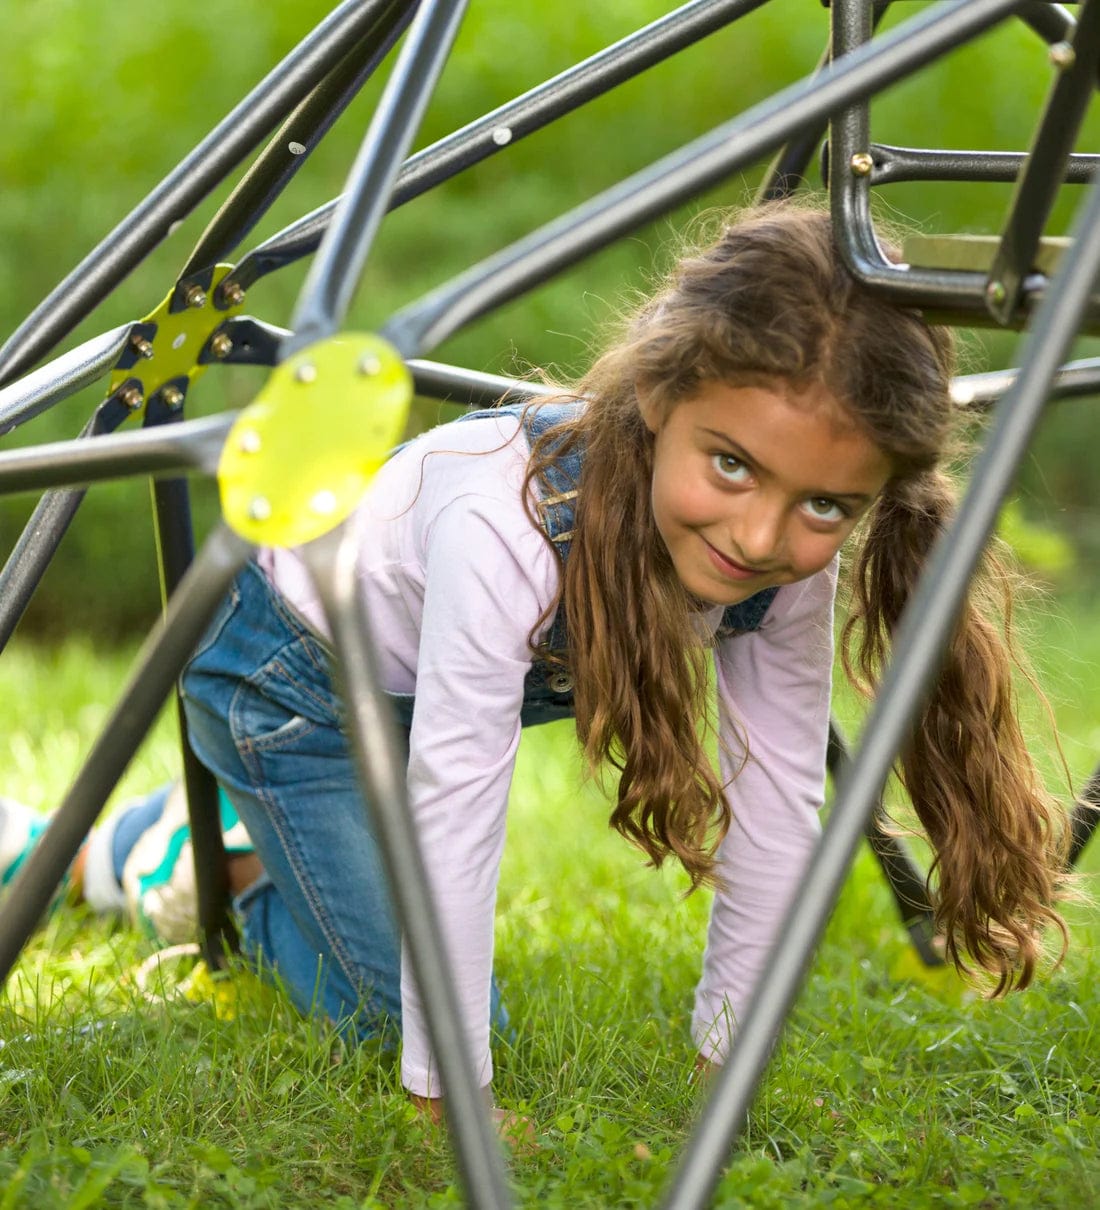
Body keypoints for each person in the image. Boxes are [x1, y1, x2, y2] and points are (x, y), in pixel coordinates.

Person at [0, 203, 1070, 1122]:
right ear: (659, 399)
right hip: (291, 688)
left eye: (823, 504)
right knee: (408, 1017)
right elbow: (456, 808)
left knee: (429, 975)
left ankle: (245, 842)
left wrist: (723, 1058)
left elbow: (780, 795)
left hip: (417, 692)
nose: (758, 535)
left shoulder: (781, 556)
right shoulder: (505, 528)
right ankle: (170, 864)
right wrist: (446, 1095)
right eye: (731, 465)